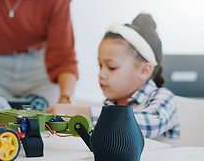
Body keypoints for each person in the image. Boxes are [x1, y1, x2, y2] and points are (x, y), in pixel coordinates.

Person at [46, 13, 180, 142]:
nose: (101, 74)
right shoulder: (110, 104)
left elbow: (147, 125)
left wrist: (82, 113)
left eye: (112, 67)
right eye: (100, 66)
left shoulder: (164, 98)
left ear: (144, 70)